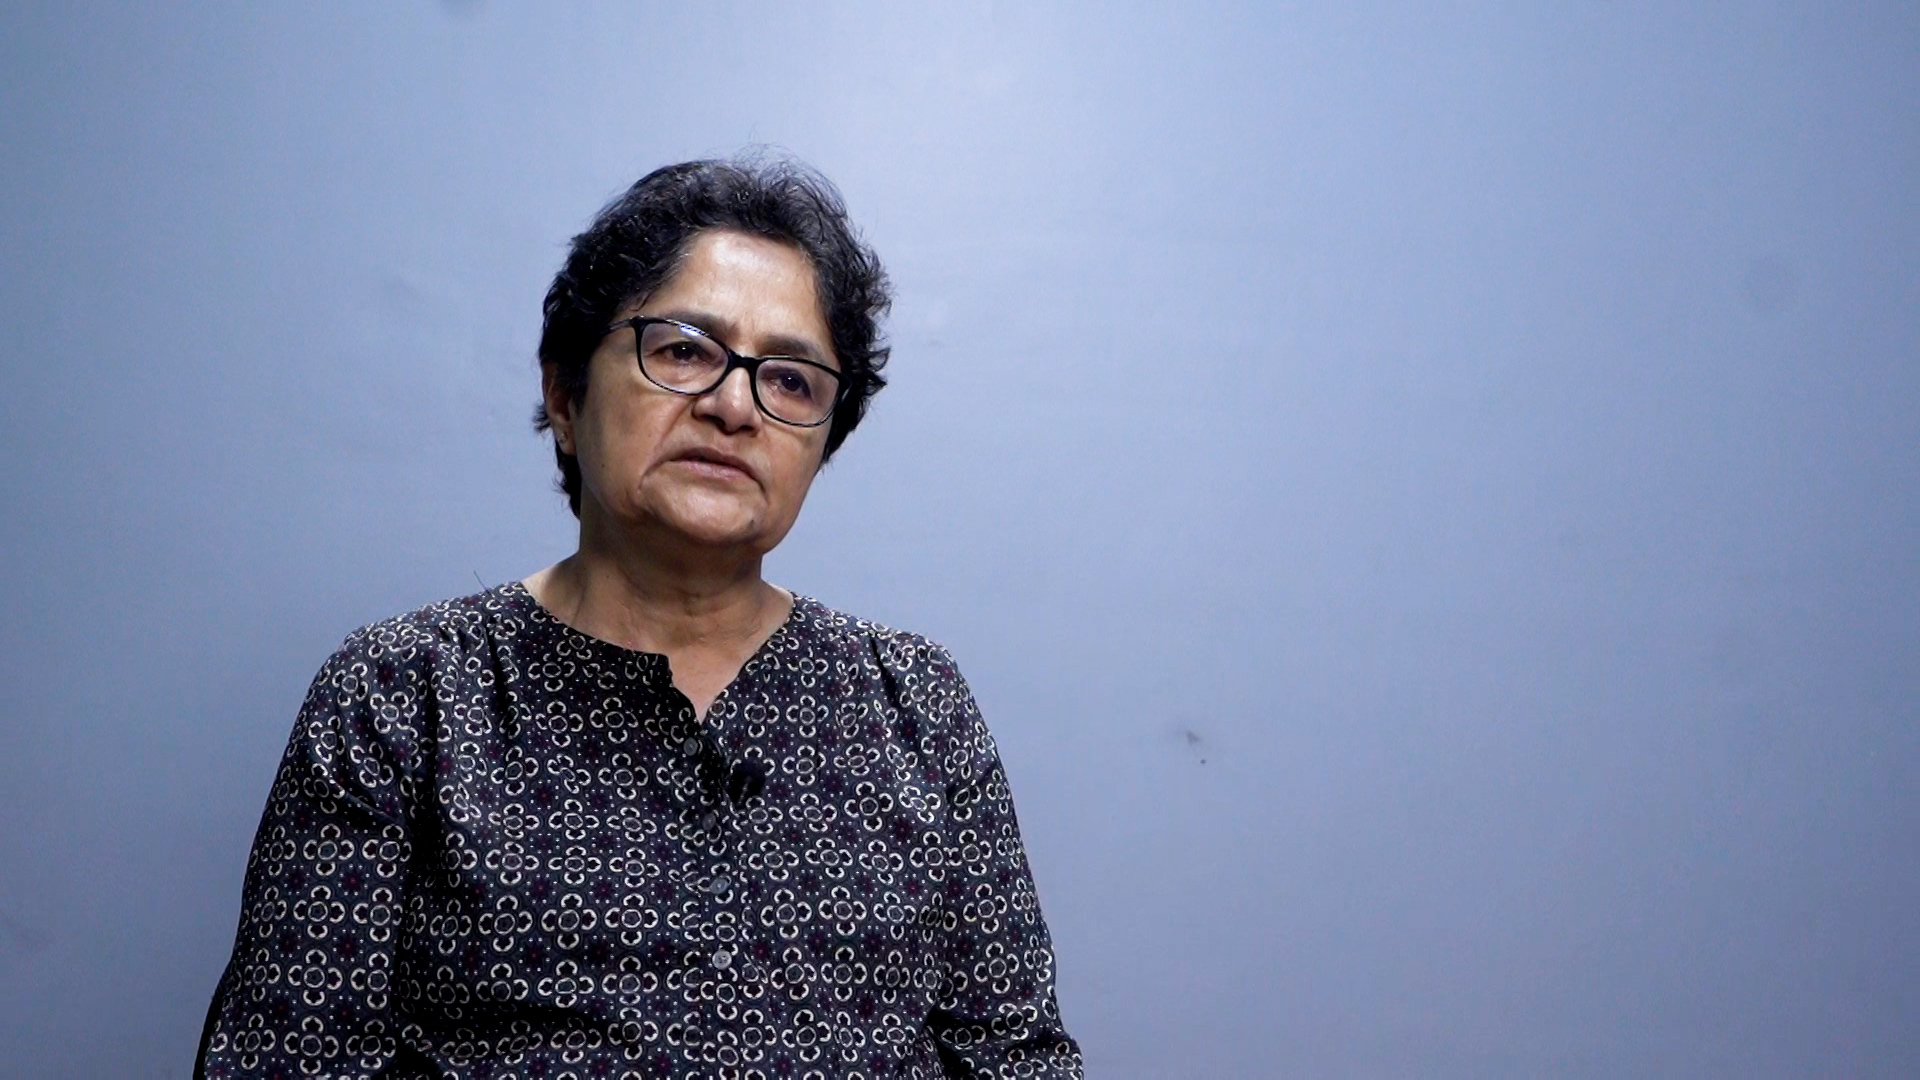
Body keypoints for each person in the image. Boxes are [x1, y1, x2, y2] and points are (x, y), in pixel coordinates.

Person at [195, 157, 1081, 1079]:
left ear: (824, 443)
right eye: (685, 350)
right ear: (565, 396)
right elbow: (279, 1062)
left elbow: (1016, 1059)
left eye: (790, 380)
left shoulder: (915, 703)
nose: (734, 406)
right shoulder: (405, 694)